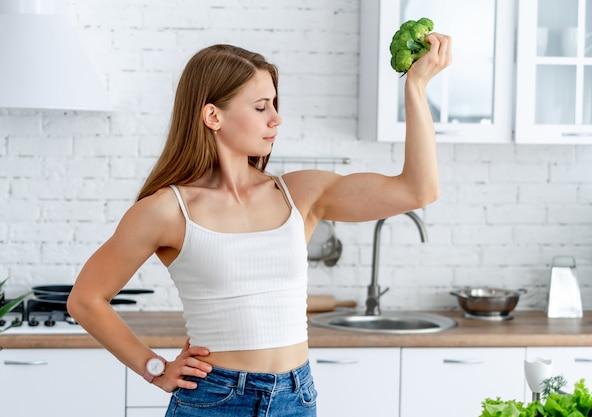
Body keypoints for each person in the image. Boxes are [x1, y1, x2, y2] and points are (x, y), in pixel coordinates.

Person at [67, 33, 451, 417]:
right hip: (214, 399)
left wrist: (416, 87)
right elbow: (85, 299)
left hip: (296, 397)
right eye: (261, 106)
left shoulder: (300, 193)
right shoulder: (167, 210)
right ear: (213, 115)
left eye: (275, 104)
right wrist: (155, 369)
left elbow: (418, 190)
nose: (276, 118)